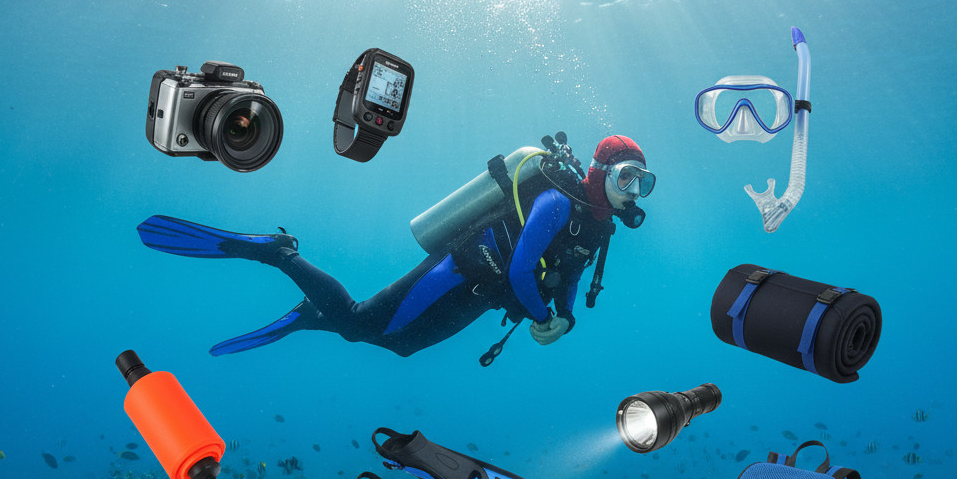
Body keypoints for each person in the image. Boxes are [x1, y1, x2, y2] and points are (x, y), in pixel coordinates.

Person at [137, 135, 654, 359]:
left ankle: (310, 317)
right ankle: (279, 252)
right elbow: (523, 270)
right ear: (602, 171)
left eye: (643, 184)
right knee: (362, 322)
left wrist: (564, 319)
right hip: (461, 267)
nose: (633, 192)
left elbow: (572, 277)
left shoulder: (598, 227)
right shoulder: (560, 202)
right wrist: (544, 312)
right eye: (628, 178)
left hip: (484, 295)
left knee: (400, 345)